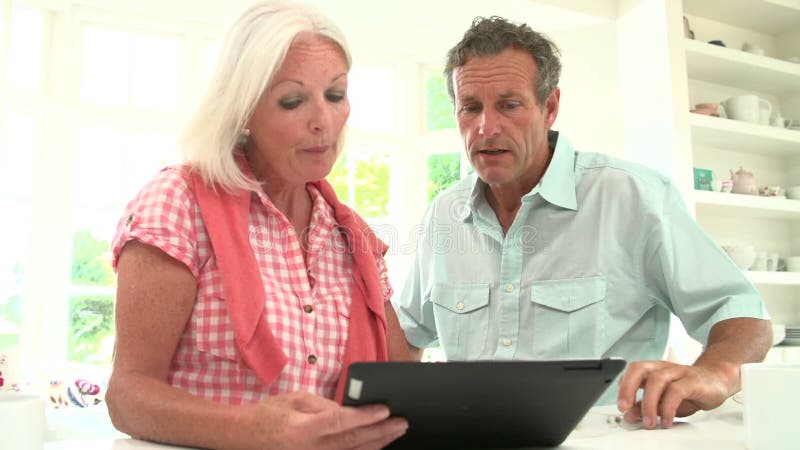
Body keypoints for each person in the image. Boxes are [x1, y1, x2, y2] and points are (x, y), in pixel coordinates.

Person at [393, 16, 772, 431]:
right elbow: (406, 339)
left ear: (549, 107)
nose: (486, 127)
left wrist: (714, 373)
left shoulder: (634, 197)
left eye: (509, 105)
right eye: (470, 107)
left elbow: (742, 316)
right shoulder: (444, 214)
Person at [105, 2, 410, 449]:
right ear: (243, 110)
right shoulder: (179, 202)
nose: (322, 122)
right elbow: (127, 396)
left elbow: (401, 388)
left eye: (335, 94)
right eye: (292, 100)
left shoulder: (355, 240)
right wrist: (249, 429)